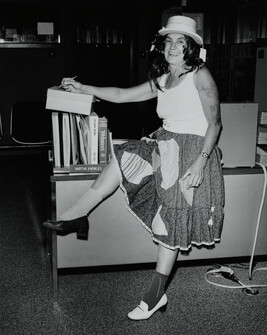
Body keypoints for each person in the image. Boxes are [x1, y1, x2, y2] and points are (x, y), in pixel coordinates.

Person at [43, 15, 225, 320]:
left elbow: (215, 124)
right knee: (123, 154)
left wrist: (200, 162)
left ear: (191, 47)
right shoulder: (164, 78)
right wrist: (82, 87)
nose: (173, 47)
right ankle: (77, 215)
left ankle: (154, 296)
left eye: (180, 42)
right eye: (168, 41)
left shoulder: (200, 75)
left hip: (194, 151)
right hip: (165, 145)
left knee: (169, 223)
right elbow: (121, 94)